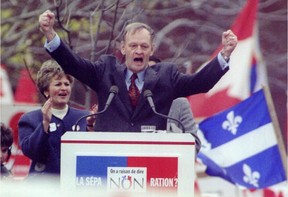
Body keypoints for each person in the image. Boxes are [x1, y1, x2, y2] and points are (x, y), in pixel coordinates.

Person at [38, 10, 237, 133]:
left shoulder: (166, 75)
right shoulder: (105, 70)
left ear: (152, 50)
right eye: (133, 46)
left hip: (149, 161)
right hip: (108, 157)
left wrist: (225, 54)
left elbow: (199, 83)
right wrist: (51, 35)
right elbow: (74, 64)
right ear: (123, 49)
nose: (139, 51)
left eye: (144, 46)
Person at [18, 60, 95, 176]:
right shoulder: (29, 119)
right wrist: (45, 123)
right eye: (58, 84)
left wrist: (90, 127)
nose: (64, 88)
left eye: (67, 84)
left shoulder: (84, 117)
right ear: (46, 91)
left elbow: (92, 153)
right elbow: (31, 151)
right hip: (43, 189)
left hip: (75, 186)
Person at [148, 56, 201, 152]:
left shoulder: (179, 104)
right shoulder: (128, 102)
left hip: (170, 162)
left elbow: (194, 144)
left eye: (154, 72)